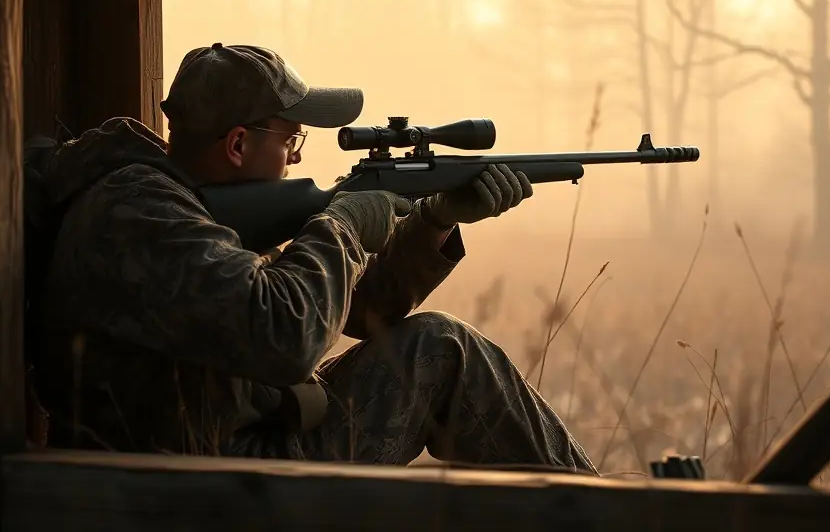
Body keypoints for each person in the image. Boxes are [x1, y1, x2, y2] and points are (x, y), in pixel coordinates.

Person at [35, 43, 597, 473]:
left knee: (435, 345)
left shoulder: (187, 210)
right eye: (290, 142)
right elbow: (286, 337)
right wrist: (343, 224)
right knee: (443, 350)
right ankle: (613, 516)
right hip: (210, 476)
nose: (293, 158)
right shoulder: (143, 215)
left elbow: (356, 310)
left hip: (229, 446)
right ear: (237, 145)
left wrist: (434, 220)